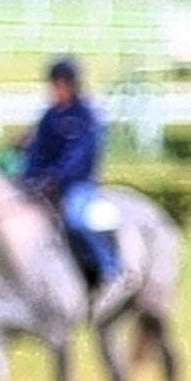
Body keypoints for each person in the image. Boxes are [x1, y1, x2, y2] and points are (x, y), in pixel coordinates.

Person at [23, 56, 119, 291]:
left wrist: (56, 178)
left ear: (69, 84)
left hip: (77, 186)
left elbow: (81, 156)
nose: (54, 90)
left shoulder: (86, 117)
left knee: (76, 221)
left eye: (57, 84)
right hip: (44, 184)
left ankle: (109, 268)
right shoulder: (50, 116)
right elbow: (37, 151)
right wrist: (30, 176)